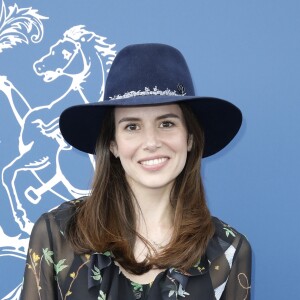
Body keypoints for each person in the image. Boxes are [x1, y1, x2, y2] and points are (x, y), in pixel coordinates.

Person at [20, 43, 251, 300]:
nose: (151, 142)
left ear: (190, 138)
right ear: (113, 144)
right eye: (132, 127)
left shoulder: (228, 251)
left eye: (166, 123)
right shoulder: (57, 234)